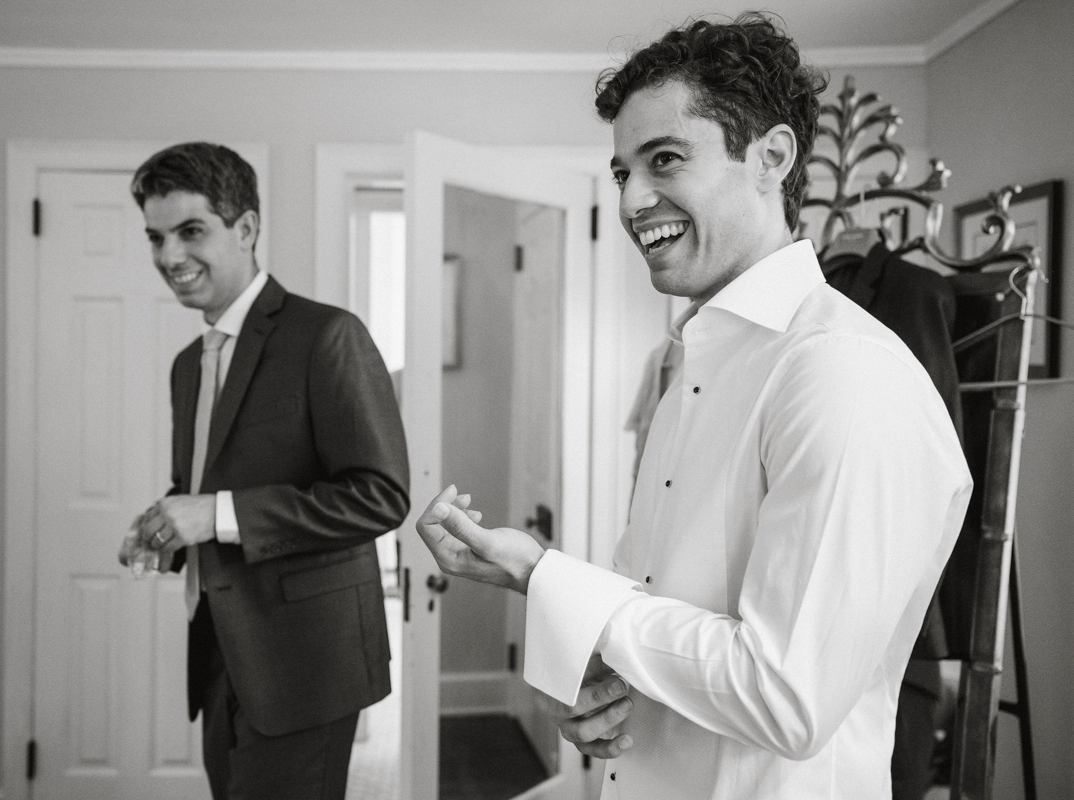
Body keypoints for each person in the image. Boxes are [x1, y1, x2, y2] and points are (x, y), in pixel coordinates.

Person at [416, 14, 972, 799]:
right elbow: (657, 605)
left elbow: (786, 697)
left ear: (771, 158)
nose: (633, 200)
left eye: (665, 160)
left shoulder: (842, 374)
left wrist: (545, 575)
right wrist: (597, 683)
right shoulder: (691, 364)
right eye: (621, 173)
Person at [120, 142, 410, 800]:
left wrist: (215, 514)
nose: (169, 257)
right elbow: (201, 487)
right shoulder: (187, 365)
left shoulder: (327, 336)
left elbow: (381, 496)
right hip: (220, 649)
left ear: (246, 228)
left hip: (307, 662)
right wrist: (162, 524)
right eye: (156, 237)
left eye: (191, 231)